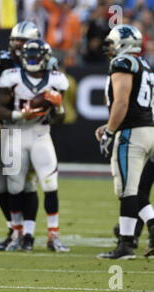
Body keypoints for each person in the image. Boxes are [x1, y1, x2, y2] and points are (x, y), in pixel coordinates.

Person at [0, 21, 65, 252]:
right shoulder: (9, 73)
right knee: (11, 186)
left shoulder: (55, 77)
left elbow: (59, 117)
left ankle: (50, 235)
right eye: (18, 43)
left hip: (41, 134)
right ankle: (17, 234)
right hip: (13, 132)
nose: (29, 56)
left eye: (34, 54)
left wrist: (59, 107)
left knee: (48, 184)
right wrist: (19, 114)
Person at [95, 24, 154, 260]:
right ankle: (149, 228)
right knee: (136, 190)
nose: (109, 47)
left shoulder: (123, 63)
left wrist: (110, 131)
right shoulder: (145, 65)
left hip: (132, 133)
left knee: (126, 190)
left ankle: (126, 245)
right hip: (148, 130)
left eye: (112, 42)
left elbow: (121, 103)